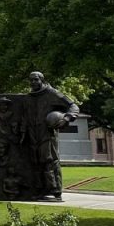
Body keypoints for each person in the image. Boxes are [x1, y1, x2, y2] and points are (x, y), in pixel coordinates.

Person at [22, 70, 78, 199]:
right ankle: (39, 190)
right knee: (35, 162)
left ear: (42, 80)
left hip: (47, 133)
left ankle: (54, 190)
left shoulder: (52, 93)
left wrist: (67, 118)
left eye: (36, 79)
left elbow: (73, 106)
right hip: (32, 134)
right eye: (31, 80)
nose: (33, 82)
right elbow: (25, 117)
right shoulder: (28, 98)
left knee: (49, 161)